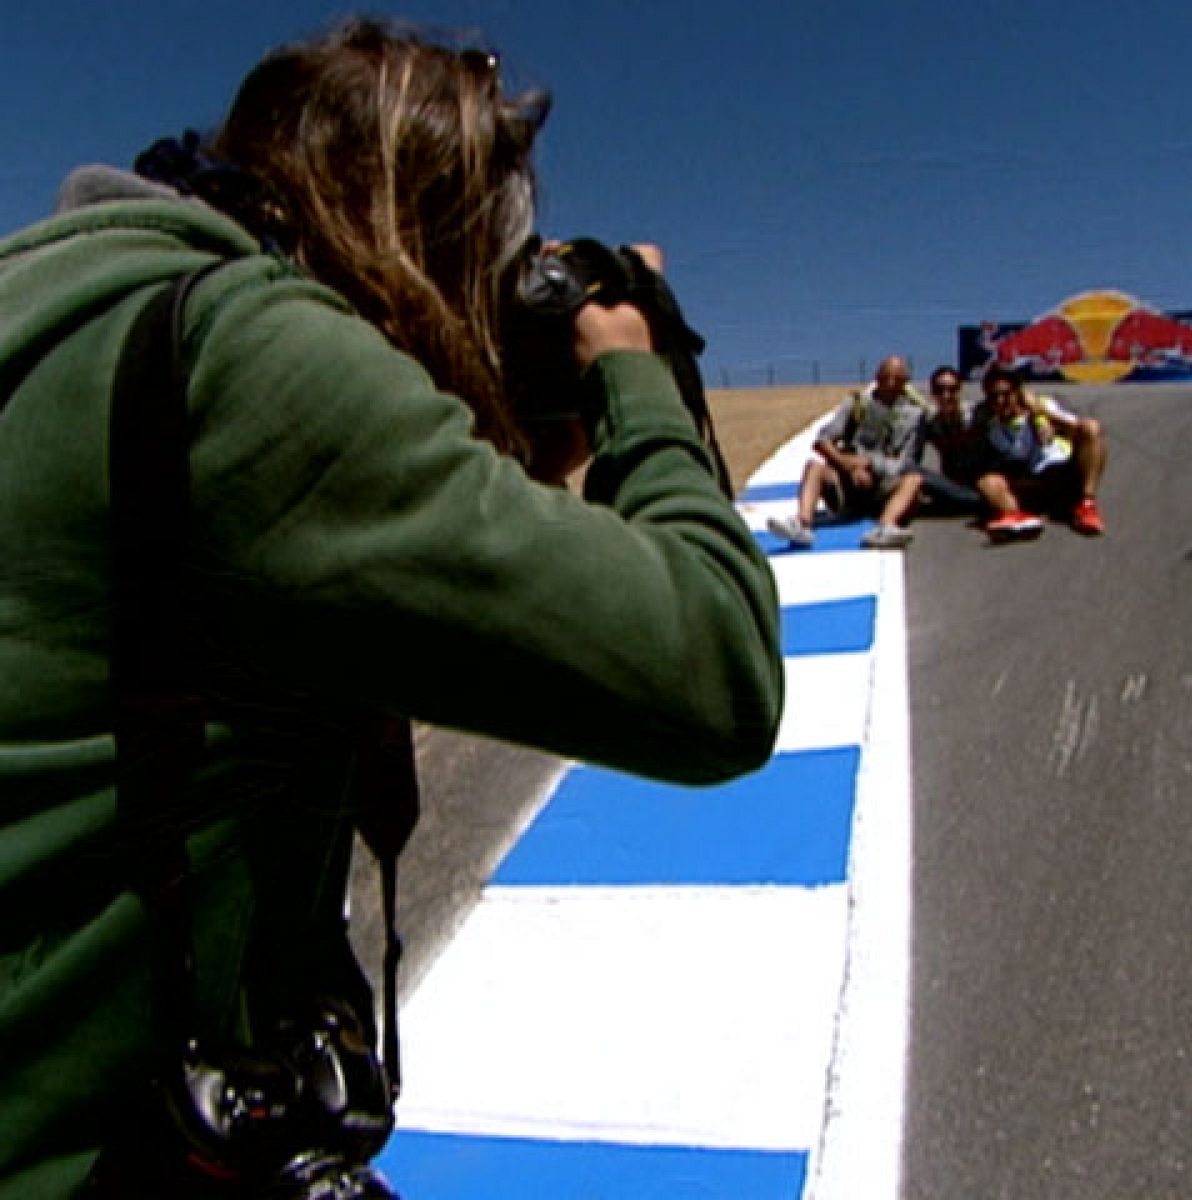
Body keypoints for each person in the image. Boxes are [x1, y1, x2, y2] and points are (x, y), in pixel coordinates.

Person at [0, 19, 783, 1198]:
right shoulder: (254, 356)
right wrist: (638, 376)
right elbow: (716, 671)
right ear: (410, 230)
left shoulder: (72, 300)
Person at [767, 355, 926, 549]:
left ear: (905, 383)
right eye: (886, 377)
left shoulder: (915, 416)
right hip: (847, 485)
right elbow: (822, 441)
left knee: (914, 479)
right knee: (814, 467)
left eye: (897, 379)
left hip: (883, 487)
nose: (891, 384)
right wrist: (847, 466)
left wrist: (869, 464)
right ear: (877, 378)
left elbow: (907, 462)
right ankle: (802, 524)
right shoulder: (856, 405)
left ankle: (885, 527)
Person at [972, 363, 1108, 541]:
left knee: (1093, 427)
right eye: (993, 396)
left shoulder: (1043, 405)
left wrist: (1046, 416)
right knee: (987, 482)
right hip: (1038, 481)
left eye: (1006, 394)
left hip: (1066, 470)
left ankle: (1087, 504)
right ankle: (1018, 518)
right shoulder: (995, 430)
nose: (999, 401)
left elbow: (1082, 431)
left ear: (1018, 392)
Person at [915, 365, 987, 516]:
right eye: (939, 390)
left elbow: (1016, 396)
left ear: (960, 390)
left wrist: (1040, 418)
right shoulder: (932, 422)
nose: (946, 395)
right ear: (933, 393)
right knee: (909, 470)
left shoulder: (977, 414)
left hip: (981, 488)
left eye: (952, 389)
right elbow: (914, 455)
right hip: (952, 487)